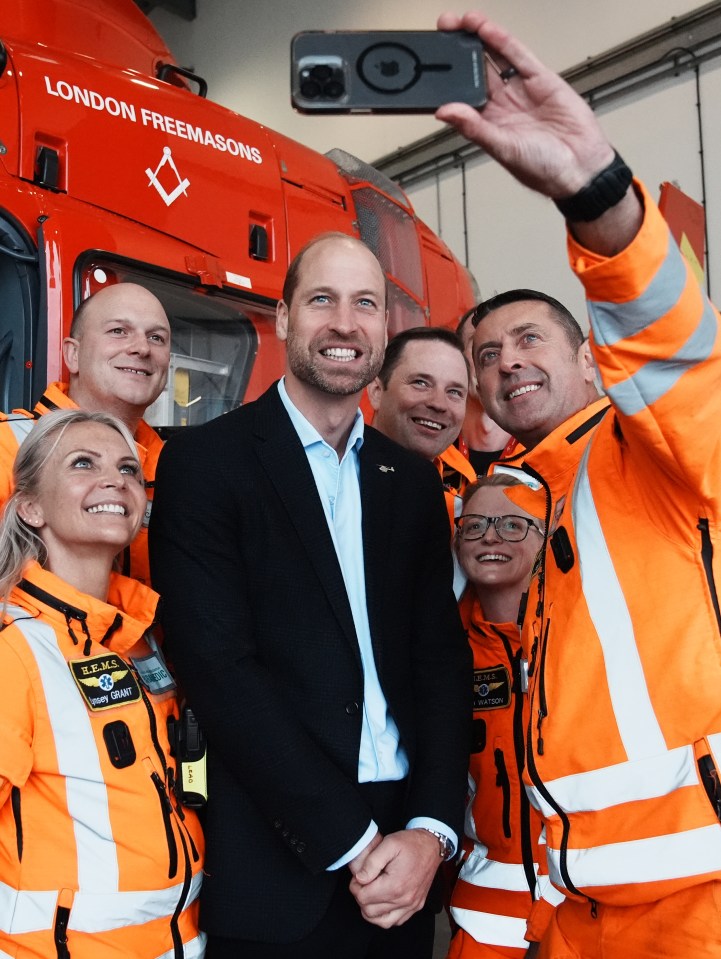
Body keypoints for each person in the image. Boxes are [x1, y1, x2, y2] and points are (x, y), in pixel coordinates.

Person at [436, 10, 721, 958]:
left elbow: (676, 346)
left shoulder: (654, 446)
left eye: (529, 341)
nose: (504, 363)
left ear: (592, 363)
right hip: (570, 898)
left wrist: (595, 193)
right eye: (485, 354)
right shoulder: (517, 493)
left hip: (693, 895)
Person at [150, 231, 471, 958]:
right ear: (285, 318)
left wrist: (429, 830)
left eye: (365, 303)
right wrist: (351, 840)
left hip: (406, 859)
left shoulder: (411, 480)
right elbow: (217, 665)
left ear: (383, 330)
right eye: (321, 299)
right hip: (281, 854)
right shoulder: (205, 463)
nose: (344, 322)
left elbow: (439, 665)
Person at [0, 408, 205, 958]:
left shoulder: (143, 638)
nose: (115, 480)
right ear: (31, 507)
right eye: (83, 464)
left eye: (128, 470)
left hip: (181, 941)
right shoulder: (13, 646)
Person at [447, 475, 561, 959]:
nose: (491, 537)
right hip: (483, 908)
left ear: (545, 540)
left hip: (580, 901)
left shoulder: (578, 638)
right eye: (474, 526)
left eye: (514, 525)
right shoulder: (441, 649)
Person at [0, 282, 171, 584]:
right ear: (72, 355)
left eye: (156, 337)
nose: (142, 348)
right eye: (118, 331)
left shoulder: (175, 469)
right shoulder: (6, 444)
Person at [368, 326, 476, 597]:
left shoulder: (463, 508)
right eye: (421, 383)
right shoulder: (325, 481)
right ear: (376, 391)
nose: (439, 404)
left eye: (454, 392)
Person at [455, 309, 511, 474]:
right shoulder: (429, 453)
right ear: (458, 358)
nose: (498, 360)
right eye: (480, 343)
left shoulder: (545, 454)